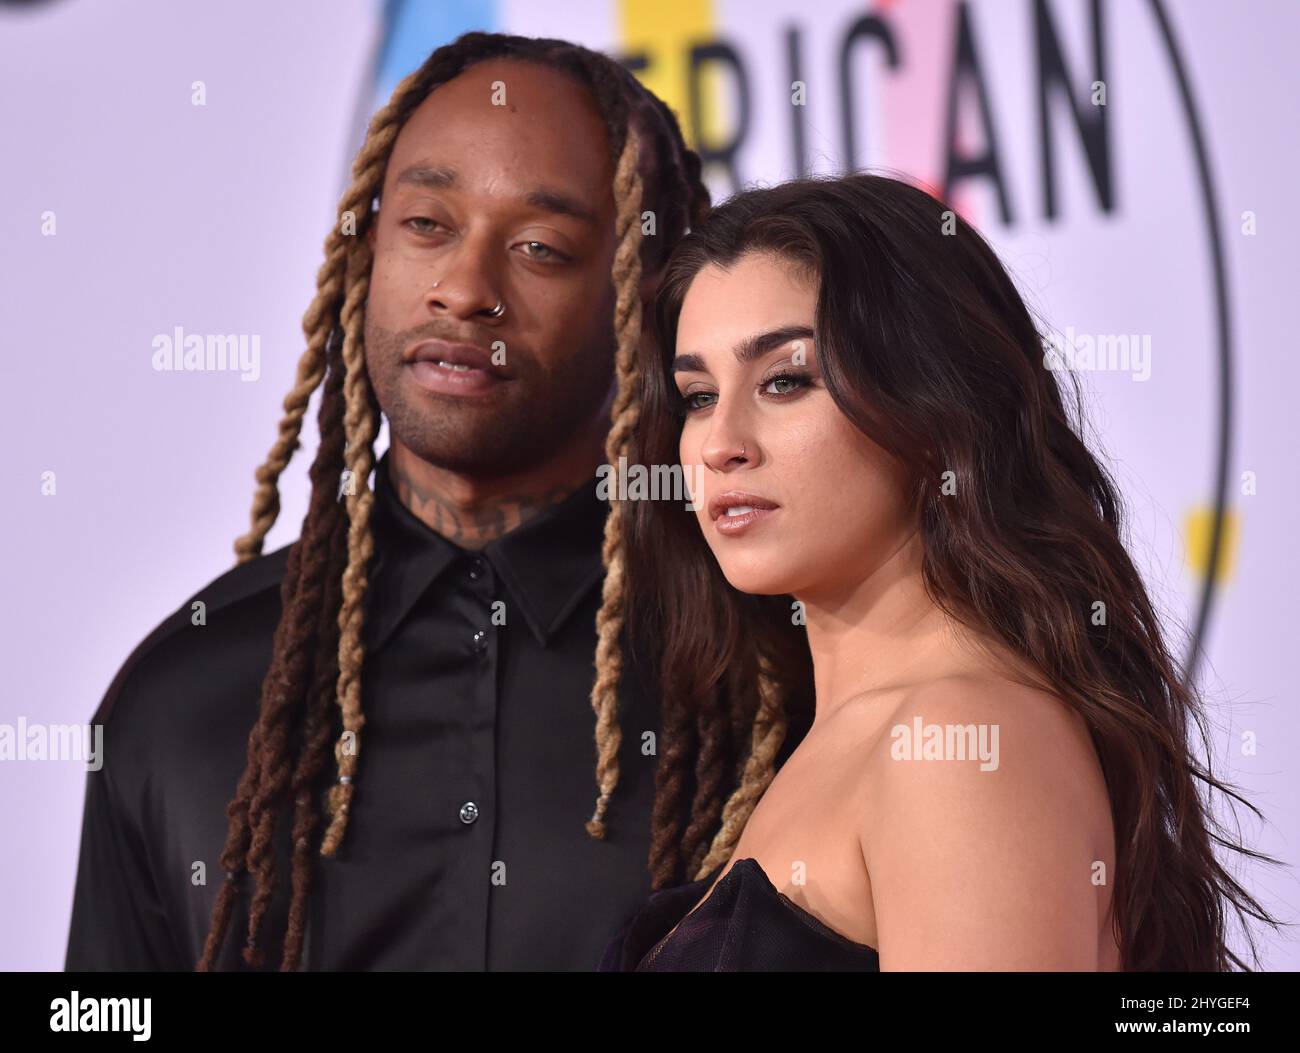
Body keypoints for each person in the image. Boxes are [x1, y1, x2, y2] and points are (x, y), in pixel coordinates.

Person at [64, 31, 720, 971]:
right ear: (365, 247)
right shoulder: (180, 698)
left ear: (647, 295)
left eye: (540, 246)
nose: (463, 290)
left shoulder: (768, 669)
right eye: (427, 225)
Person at [598, 173, 1281, 971]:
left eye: (786, 380)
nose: (720, 443)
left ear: (931, 402)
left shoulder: (958, 747)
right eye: (699, 395)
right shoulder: (847, 735)